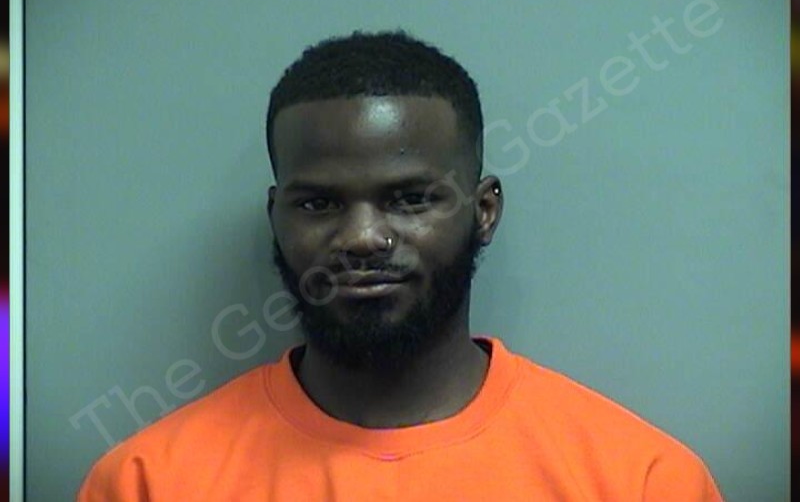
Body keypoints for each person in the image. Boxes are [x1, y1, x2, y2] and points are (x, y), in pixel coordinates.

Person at [78, 30, 724, 501]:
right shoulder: (147, 482)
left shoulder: (641, 480)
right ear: (277, 216)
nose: (363, 238)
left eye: (411, 199)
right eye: (319, 202)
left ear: (484, 210)